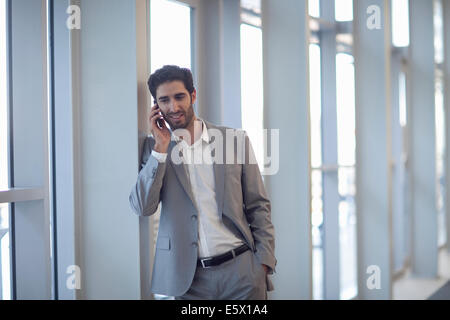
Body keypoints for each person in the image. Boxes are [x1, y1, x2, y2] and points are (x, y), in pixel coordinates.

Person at [129, 65, 276, 300]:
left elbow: (258, 205)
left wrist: (263, 263)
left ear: (193, 95)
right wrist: (161, 149)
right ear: (156, 106)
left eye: (179, 97)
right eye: (164, 100)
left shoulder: (234, 140)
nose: (173, 107)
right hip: (188, 281)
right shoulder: (153, 150)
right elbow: (143, 207)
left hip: (242, 273)